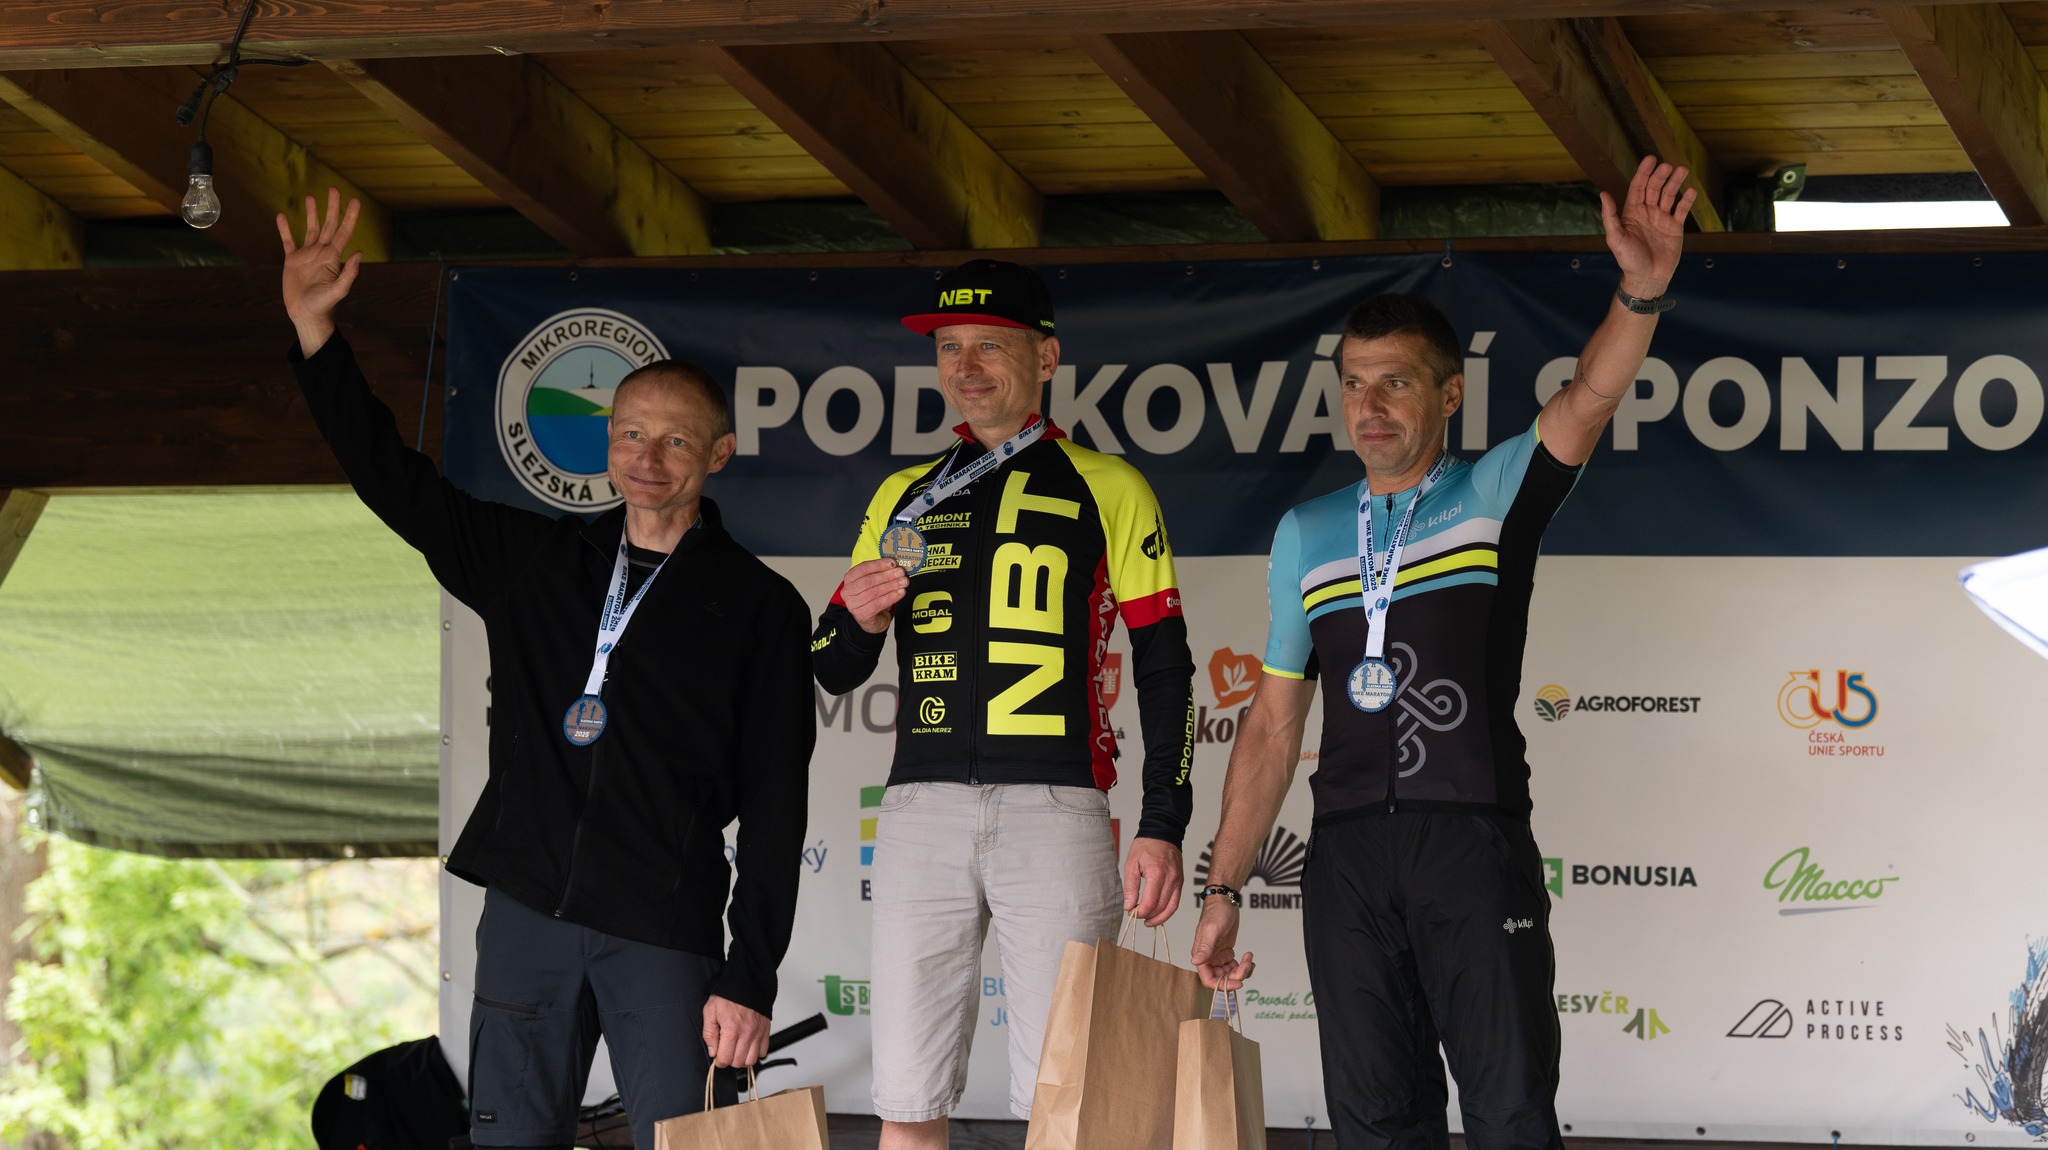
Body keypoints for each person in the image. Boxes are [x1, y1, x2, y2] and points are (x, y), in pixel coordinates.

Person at [279, 190, 816, 1150]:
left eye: (676, 440)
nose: (648, 458)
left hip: (663, 927)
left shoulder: (761, 606)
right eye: (631, 433)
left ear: (719, 453)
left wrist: (751, 975)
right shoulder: (537, 563)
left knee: (686, 1143)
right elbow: (394, 482)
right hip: (528, 912)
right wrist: (317, 335)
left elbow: (778, 808)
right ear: (606, 441)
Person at [1188, 156, 1697, 1150]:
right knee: (1374, 1125)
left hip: (1469, 844)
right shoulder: (1306, 534)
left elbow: (1588, 397)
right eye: (1353, 384)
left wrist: (1639, 291)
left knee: (1508, 1116)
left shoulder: (1490, 495)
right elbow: (1273, 725)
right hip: (1345, 858)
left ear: (1449, 392)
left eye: (1395, 381)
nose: (1369, 404)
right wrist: (1221, 890)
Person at [811, 259, 1197, 1149]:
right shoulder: (902, 494)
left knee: (1071, 1102)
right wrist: (858, 620)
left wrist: (1163, 822)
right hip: (919, 811)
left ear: (1047, 356)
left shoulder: (1110, 484)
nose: (966, 365)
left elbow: (1165, 666)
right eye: (950, 347)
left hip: (1055, 810)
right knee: (906, 1101)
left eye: (990, 345)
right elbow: (831, 666)